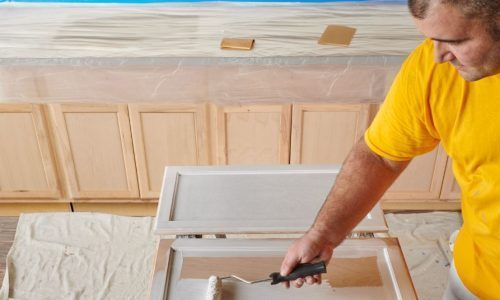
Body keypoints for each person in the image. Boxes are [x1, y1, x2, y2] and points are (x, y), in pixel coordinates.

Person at [280, 0, 500, 299]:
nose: (437, 56)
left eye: (456, 41)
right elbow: (381, 156)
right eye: (431, 40)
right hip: (475, 278)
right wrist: (324, 235)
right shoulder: (435, 70)